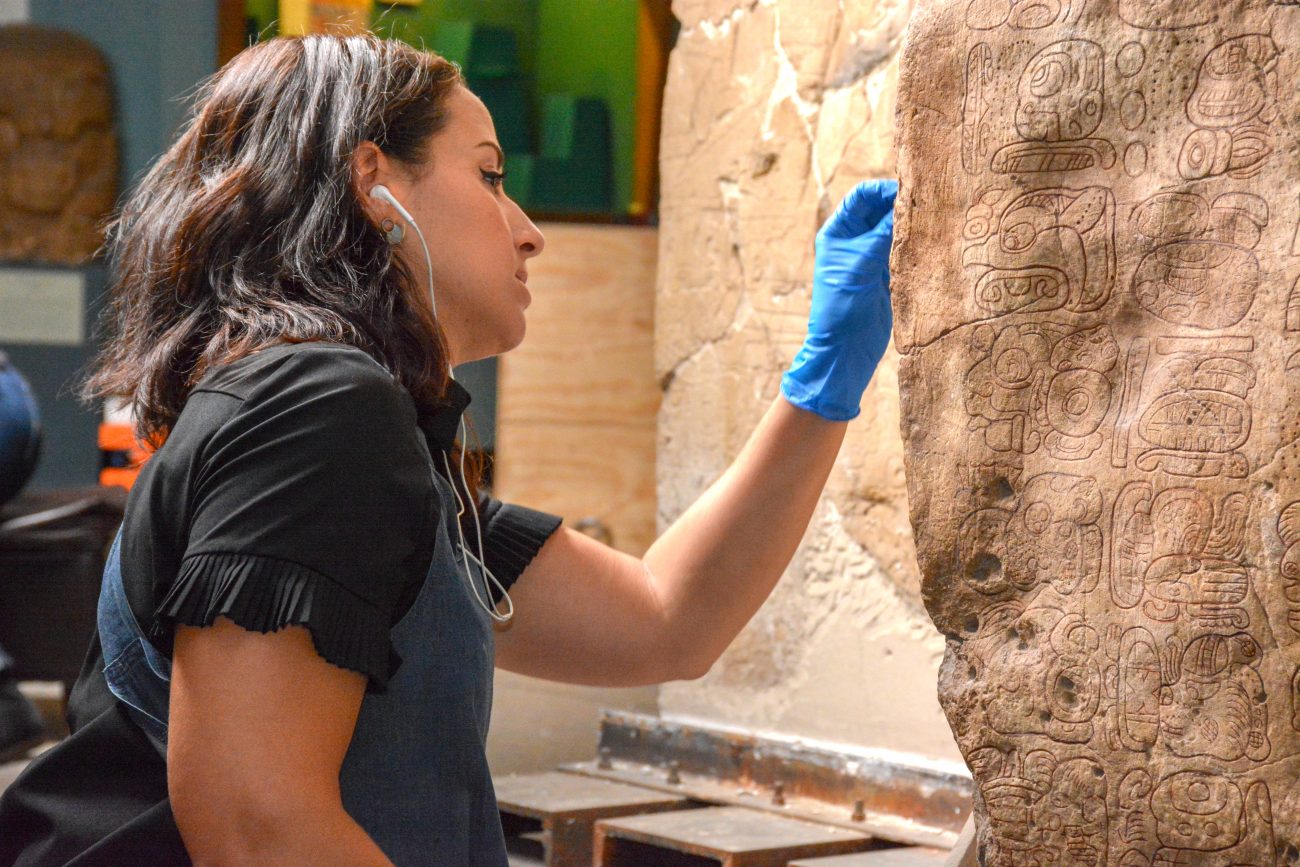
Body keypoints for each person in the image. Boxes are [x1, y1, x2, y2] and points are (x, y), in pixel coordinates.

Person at [0, 33, 896, 866]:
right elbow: (257, 821)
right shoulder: (317, 408)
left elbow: (665, 618)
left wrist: (821, 387)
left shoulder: (364, 438)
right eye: (491, 175)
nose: (528, 228)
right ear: (373, 181)